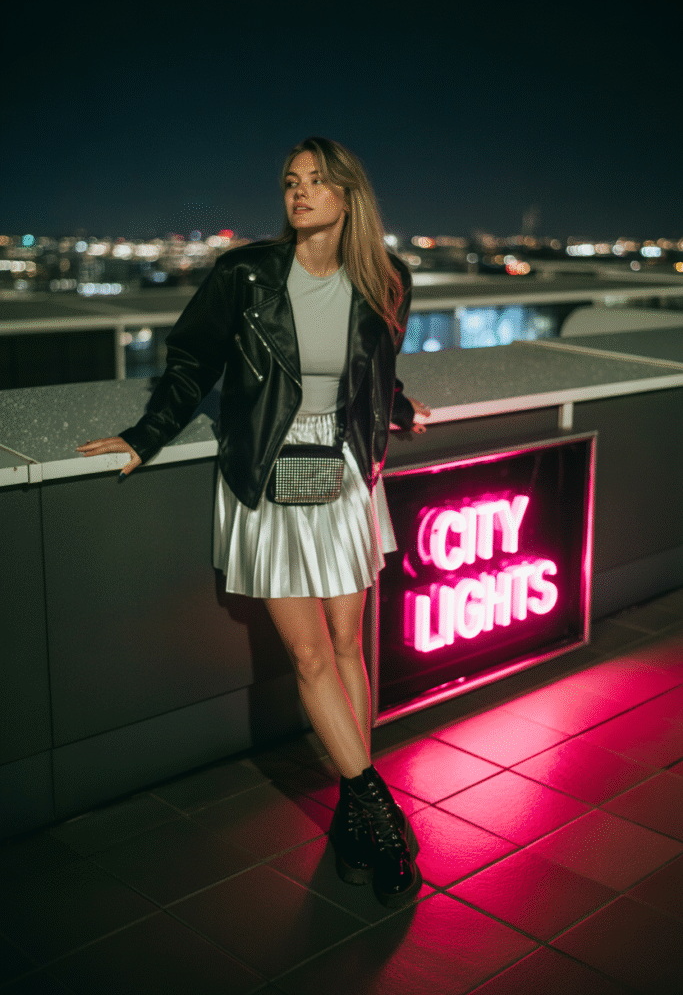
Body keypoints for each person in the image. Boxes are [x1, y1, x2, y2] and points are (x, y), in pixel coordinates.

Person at [77, 137, 431, 908]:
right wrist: (145, 436)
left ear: (348, 196)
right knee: (309, 657)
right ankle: (375, 808)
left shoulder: (384, 276)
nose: (298, 193)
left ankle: (351, 811)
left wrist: (397, 409)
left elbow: (376, 366)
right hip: (270, 471)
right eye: (289, 182)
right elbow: (191, 361)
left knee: (348, 643)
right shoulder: (243, 274)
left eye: (315, 182)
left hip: (344, 473)